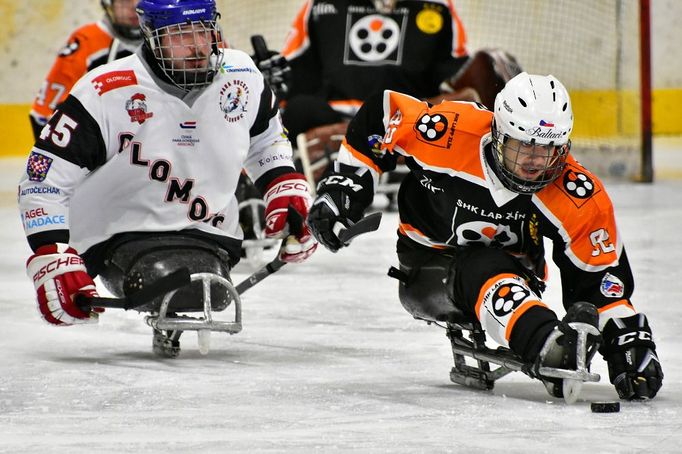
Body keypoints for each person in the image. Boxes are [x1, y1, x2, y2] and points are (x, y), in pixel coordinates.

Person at [307, 72, 664, 400]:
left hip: (516, 279)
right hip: (426, 266)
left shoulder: (577, 194)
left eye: (549, 148)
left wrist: (627, 342)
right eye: (523, 146)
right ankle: (546, 344)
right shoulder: (448, 132)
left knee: (493, 266)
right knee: (483, 263)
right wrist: (345, 189)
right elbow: (383, 114)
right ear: (497, 133)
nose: (536, 161)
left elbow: (599, 280)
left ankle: (549, 339)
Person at [19, 0, 317, 356]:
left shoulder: (242, 75)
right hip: (117, 234)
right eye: (179, 34)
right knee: (167, 279)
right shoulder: (105, 90)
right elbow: (43, 179)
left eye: (202, 31)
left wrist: (283, 186)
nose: (195, 45)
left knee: (209, 291)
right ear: (151, 35)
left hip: (211, 231)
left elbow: (266, 138)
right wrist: (52, 253)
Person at [29, 0, 143, 140]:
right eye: (124, 1)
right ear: (108, 4)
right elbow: (42, 113)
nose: (134, 7)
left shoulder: (167, 40)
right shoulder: (87, 40)